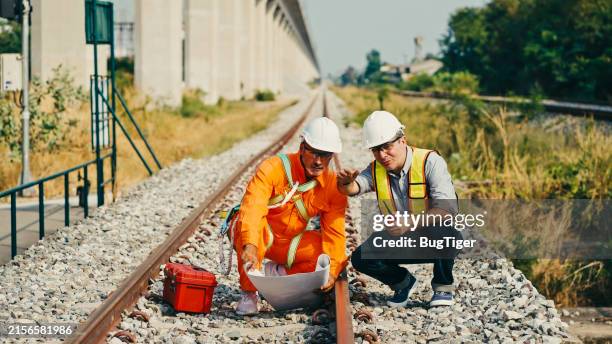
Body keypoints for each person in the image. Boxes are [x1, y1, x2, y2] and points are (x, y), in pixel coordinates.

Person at [337, 110, 459, 307]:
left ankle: (443, 288)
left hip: (433, 236)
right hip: (401, 238)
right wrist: (345, 185)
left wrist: (409, 223)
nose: (382, 155)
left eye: (387, 147)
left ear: (403, 140)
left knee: (447, 233)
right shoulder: (376, 169)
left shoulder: (430, 162)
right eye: (376, 150)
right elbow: (355, 187)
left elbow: (448, 209)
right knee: (361, 258)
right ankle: (403, 282)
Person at [233, 117, 348, 315]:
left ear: (332, 156)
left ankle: (273, 275)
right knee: (244, 228)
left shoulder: (332, 186)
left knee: (325, 253)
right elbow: (253, 207)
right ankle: (249, 292)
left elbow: (335, 234)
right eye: (313, 152)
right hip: (263, 235)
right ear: (302, 148)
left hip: (290, 243)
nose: (318, 161)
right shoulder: (273, 168)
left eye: (325, 154)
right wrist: (250, 244)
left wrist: (332, 271)